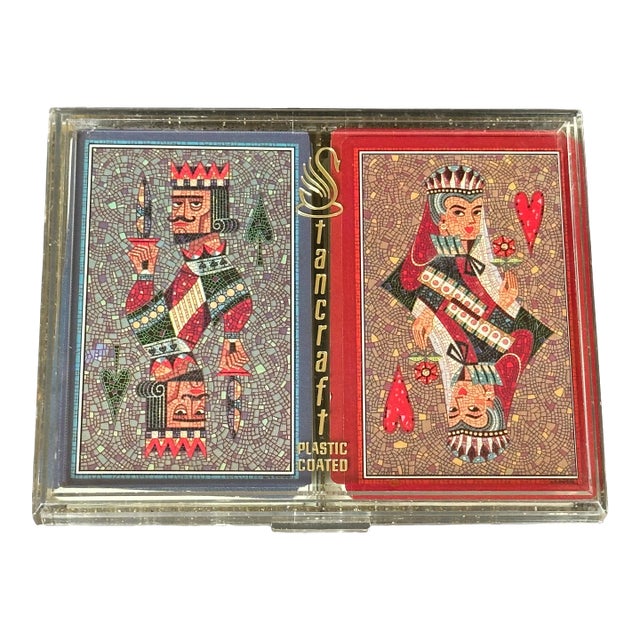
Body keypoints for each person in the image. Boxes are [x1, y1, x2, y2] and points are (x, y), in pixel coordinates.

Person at [382, 165, 551, 463]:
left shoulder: (475, 265)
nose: (472, 221)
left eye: (453, 409)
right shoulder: (447, 259)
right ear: (442, 220)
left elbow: (494, 324)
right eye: (459, 212)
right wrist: (429, 311)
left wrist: (503, 304)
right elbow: (425, 279)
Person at [125, 162, 252, 457]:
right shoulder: (199, 267)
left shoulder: (211, 268)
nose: (179, 214)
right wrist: (145, 275)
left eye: (195, 204)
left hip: (175, 350)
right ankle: (175, 430)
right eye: (176, 204)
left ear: (216, 215)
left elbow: (237, 298)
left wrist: (232, 337)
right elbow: (143, 316)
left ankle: (178, 426)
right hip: (175, 350)